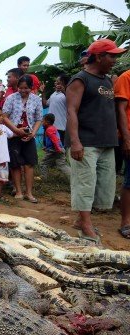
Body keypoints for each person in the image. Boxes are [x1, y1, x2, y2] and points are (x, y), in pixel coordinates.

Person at [67, 39, 126, 241]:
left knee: (102, 186)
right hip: (86, 141)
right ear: (99, 56)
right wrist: (75, 141)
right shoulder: (80, 79)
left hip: (106, 142)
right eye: (112, 56)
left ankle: (80, 219)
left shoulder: (108, 80)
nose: (115, 60)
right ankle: (85, 224)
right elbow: (71, 111)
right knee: (85, 183)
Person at [2, 75, 43, 203]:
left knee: (29, 164)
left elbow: (39, 119)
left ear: (31, 88)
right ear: (17, 87)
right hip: (14, 135)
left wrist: (33, 133)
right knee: (15, 164)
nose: (23, 90)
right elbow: (4, 117)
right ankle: (19, 191)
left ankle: (29, 193)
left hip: (29, 135)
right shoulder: (11, 98)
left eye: (26, 88)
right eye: (21, 88)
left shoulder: (36, 100)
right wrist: (15, 130)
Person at [115, 68, 130, 239]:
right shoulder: (126, 77)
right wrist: (126, 139)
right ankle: (126, 222)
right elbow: (121, 110)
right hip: (128, 135)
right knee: (129, 180)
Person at [39, 113, 70, 178]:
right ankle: (72, 176)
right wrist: (47, 147)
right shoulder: (53, 128)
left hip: (54, 150)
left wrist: (57, 149)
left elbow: (55, 140)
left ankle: (43, 177)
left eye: (43, 121)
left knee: (43, 163)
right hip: (59, 148)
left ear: (47, 122)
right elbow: (53, 140)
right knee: (62, 164)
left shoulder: (49, 129)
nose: (42, 122)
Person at [42, 74, 70, 144]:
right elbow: (45, 105)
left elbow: (71, 102)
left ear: (64, 83)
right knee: (48, 148)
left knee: (60, 150)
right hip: (49, 126)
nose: (56, 83)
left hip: (61, 128)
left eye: (58, 82)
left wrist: (64, 90)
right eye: (56, 82)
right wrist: (43, 92)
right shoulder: (54, 94)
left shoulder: (68, 93)